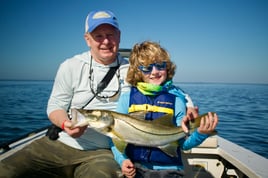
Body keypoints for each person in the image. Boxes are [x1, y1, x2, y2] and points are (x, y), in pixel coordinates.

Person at [0, 11, 197, 178]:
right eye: (98, 35)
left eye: (110, 35)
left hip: (102, 152)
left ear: (119, 36)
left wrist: (188, 104)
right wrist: (65, 124)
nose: (105, 41)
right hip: (59, 144)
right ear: (87, 39)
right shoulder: (70, 66)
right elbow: (55, 106)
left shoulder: (133, 69)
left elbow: (166, 87)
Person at [110, 41, 219, 178]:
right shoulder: (127, 99)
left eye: (160, 66)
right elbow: (114, 138)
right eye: (147, 68)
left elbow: (185, 144)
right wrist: (122, 160)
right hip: (136, 169)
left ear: (167, 68)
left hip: (170, 170)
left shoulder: (177, 100)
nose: (154, 72)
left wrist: (201, 133)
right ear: (138, 72)